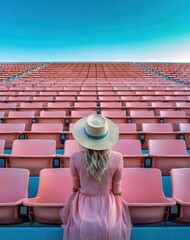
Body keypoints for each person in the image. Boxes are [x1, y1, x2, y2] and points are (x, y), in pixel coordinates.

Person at [59, 114, 132, 240]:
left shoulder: (75, 157)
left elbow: (75, 188)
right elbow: (116, 191)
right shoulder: (118, 157)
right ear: (107, 137)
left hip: (83, 204)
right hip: (108, 204)